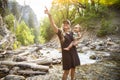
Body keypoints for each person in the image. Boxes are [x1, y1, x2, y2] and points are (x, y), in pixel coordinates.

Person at [44, 7, 80, 80]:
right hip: (66, 54)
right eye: (64, 23)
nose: (65, 24)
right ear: (63, 25)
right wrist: (49, 15)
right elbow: (53, 24)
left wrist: (76, 43)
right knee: (66, 71)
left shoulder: (72, 33)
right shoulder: (60, 33)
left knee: (73, 68)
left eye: (67, 23)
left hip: (73, 52)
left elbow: (76, 41)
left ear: (69, 25)